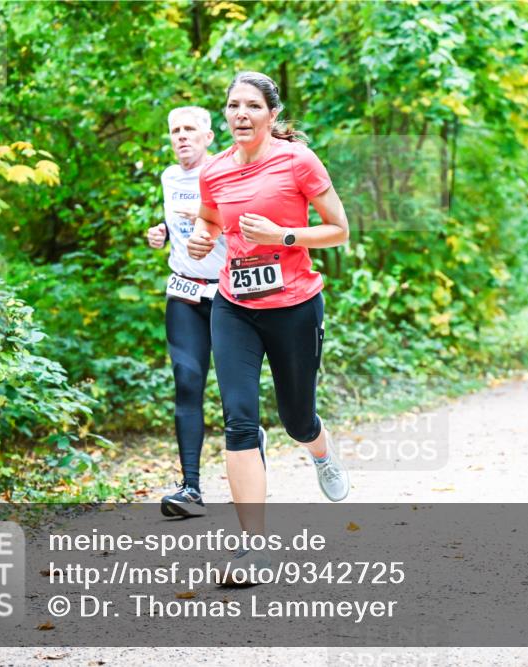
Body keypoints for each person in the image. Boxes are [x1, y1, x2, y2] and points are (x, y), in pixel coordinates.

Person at [187, 71, 351, 576]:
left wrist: (283, 236)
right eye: (233, 105)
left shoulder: (297, 161)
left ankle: (320, 450)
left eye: (252, 106)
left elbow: (339, 230)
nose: (241, 114)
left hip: (295, 306)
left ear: (271, 115)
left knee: (297, 418)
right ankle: (253, 547)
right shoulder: (213, 171)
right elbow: (210, 219)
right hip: (234, 305)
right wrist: (199, 237)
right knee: (239, 419)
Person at [146, 106, 230, 518]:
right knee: (187, 381)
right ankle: (191, 488)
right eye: (175, 130)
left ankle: (251, 463)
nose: (182, 137)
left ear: (208, 136)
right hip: (183, 290)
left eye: (190, 130)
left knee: (234, 391)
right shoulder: (167, 177)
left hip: (229, 295)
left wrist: (204, 219)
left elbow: (243, 223)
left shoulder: (227, 171)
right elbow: (172, 224)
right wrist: (159, 234)